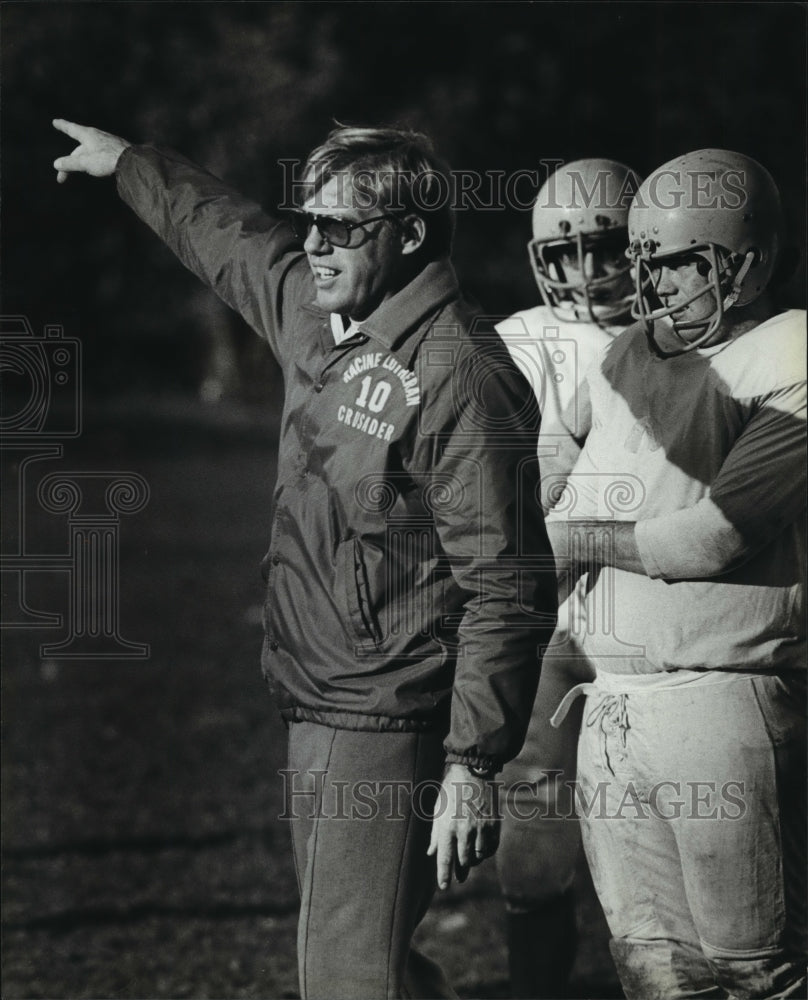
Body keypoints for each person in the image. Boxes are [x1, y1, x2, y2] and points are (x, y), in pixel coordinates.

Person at [52, 118, 557, 999]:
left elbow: (508, 587)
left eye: (341, 228)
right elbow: (232, 239)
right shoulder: (322, 319)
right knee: (370, 959)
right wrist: (132, 165)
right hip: (313, 697)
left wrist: (474, 766)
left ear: (409, 235)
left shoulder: (462, 376)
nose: (314, 245)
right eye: (311, 222)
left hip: (391, 716)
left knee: (346, 975)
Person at [545, 149, 806, 998]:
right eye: (649, 261)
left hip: (722, 695)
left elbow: (713, 539)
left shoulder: (790, 349)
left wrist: (567, 539)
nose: (656, 283)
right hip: (610, 696)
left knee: (752, 965)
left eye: (683, 260)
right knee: (652, 965)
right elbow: (555, 445)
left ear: (748, 259)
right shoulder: (629, 349)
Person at [494, 157, 642, 998]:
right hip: (546, 622)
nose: (587, 272)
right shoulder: (513, 343)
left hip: (646, 618)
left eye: (608, 247)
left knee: (665, 847)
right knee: (535, 853)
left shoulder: (683, 337)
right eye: (566, 253)